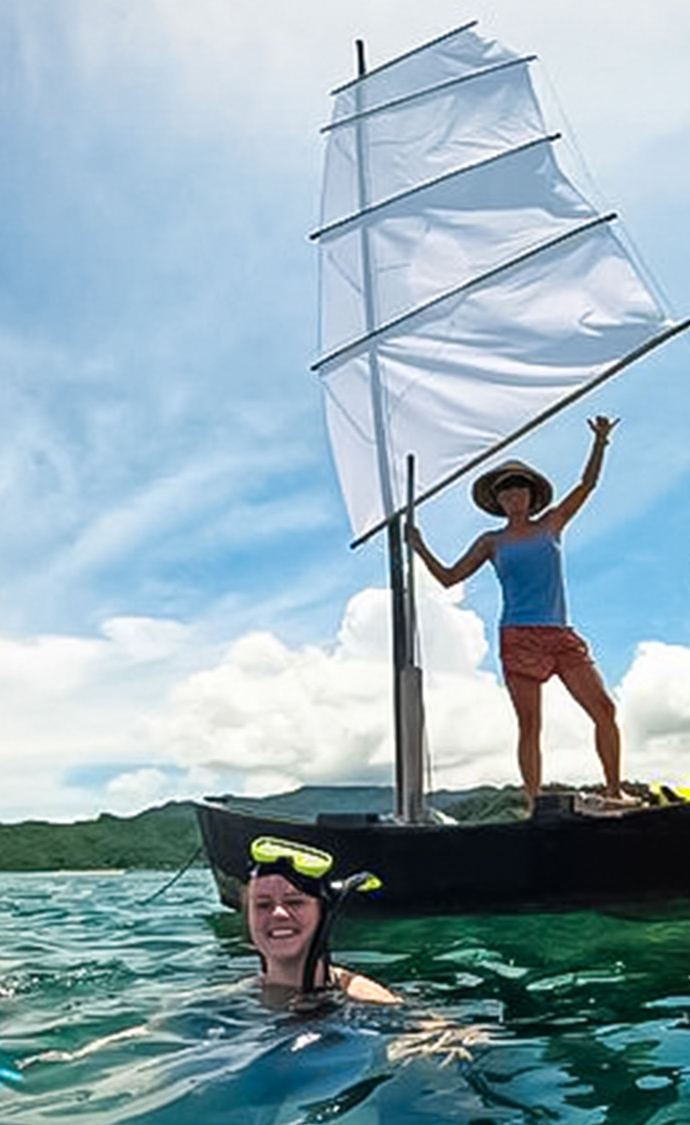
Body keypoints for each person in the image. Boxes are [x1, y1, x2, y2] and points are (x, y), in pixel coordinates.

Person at [408, 415, 624, 805]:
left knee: (604, 709)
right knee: (530, 724)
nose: (513, 497)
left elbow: (587, 485)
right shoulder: (492, 541)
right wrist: (420, 546)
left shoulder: (551, 524)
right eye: (506, 493)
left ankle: (614, 790)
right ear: (498, 502)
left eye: (519, 490)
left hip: (559, 634)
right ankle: (533, 803)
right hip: (518, 636)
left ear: (530, 495)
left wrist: (601, 441)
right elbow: (448, 578)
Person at [245, 836, 398, 1006]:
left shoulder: (372, 1001)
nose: (278, 913)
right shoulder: (235, 996)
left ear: (323, 913)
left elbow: (429, 1027)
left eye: (294, 902)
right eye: (263, 905)